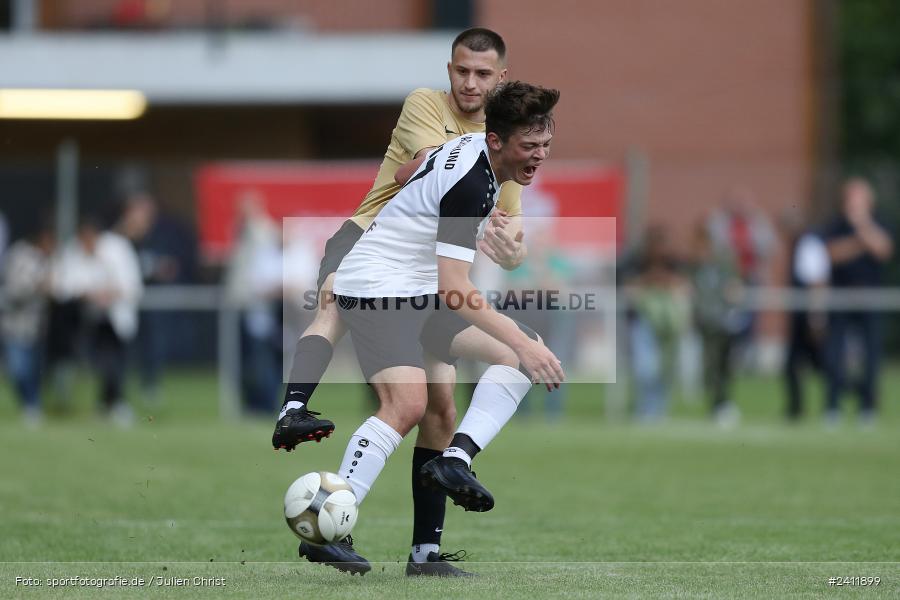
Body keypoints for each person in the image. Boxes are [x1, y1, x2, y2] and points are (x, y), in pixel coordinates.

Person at [275, 29, 531, 576]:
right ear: (449, 70)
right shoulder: (427, 105)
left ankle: (424, 555)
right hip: (370, 240)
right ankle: (293, 409)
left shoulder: (504, 144)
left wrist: (511, 247)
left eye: (482, 74)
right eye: (462, 71)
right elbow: (413, 169)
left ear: (499, 79)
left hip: (421, 275)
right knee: (334, 307)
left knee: (439, 407)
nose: (469, 82)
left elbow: (506, 236)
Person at [319, 81, 562, 575]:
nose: (539, 156)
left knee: (445, 405)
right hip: (377, 288)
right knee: (408, 404)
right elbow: (456, 289)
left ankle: (432, 532)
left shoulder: (479, 153)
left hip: (412, 287)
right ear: (496, 140)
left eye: (546, 146)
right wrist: (518, 341)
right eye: (529, 146)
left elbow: (411, 172)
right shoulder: (473, 181)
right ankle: (327, 529)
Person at [52, 216, 143, 425]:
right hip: (87, 319)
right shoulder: (74, 252)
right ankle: (106, 403)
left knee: (114, 363)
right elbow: (65, 285)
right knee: (100, 363)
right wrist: (89, 293)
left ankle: (114, 403)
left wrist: (109, 294)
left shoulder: (117, 250)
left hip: (115, 318)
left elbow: (131, 285)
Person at [823, 178, 893, 424]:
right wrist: (859, 242)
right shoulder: (836, 225)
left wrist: (863, 228)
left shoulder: (879, 222)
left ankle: (867, 407)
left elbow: (883, 249)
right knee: (833, 355)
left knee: (871, 357)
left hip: (870, 298)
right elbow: (831, 254)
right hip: (841, 298)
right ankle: (832, 406)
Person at [1, 222, 55, 425]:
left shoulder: (47, 259)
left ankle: (33, 406)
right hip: (15, 324)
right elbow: (14, 290)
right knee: (18, 369)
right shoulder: (20, 255)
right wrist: (36, 285)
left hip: (37, 325)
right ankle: (28, 404)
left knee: (35, 370)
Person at [779, 208, 829, 421]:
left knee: (821, 364)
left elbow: (817, 282)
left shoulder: (809, 245)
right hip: (801, 314)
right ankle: (795, 408)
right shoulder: (799, 245)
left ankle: (858, 394)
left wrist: (816, 316)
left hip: (808, 315)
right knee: (795, 365)